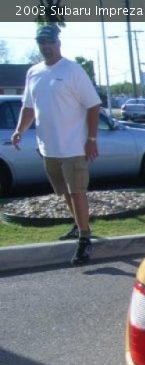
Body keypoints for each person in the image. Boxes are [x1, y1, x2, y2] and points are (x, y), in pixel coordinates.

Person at [12, 25, 102, 266]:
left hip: (74, 147)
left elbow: (93, 105)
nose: (46, 47)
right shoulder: (34, 72)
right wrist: (19, 130)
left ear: (58, 43)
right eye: (41, 42)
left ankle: (85, 240)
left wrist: (91, 139)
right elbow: (29, 107)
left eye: (49, 42)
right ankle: (78, 225)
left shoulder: (72, 70)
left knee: (77, 192)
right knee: (63, 193)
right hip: (48, 148)